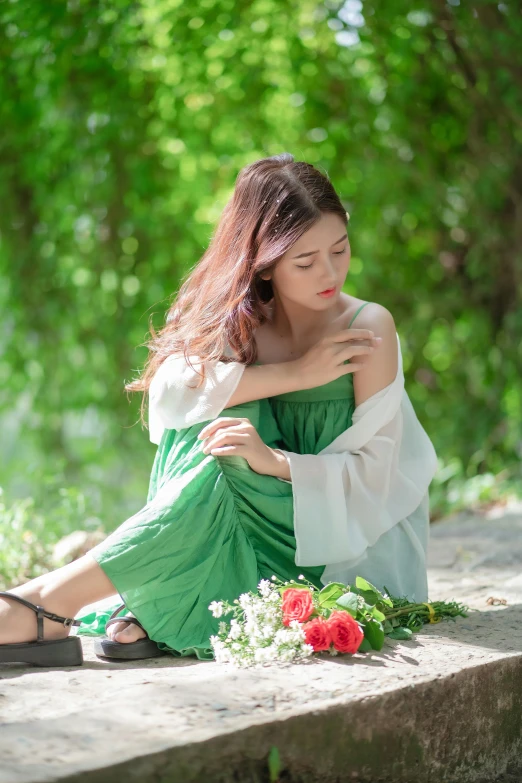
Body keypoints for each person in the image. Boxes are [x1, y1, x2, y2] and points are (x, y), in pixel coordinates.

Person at [0, 153, 437, 667]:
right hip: (246, 521)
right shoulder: (241, 320)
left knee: (229, 443)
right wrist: (296, 374)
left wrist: (274, 462)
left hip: (339, 541)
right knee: (209, 422)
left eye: (339, 250)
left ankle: (47, 605)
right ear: (264, 263)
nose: (329, 273)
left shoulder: (368, 328)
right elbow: (168, 397)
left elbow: (380, 479)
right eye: (305, 261)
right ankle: (56, 602)